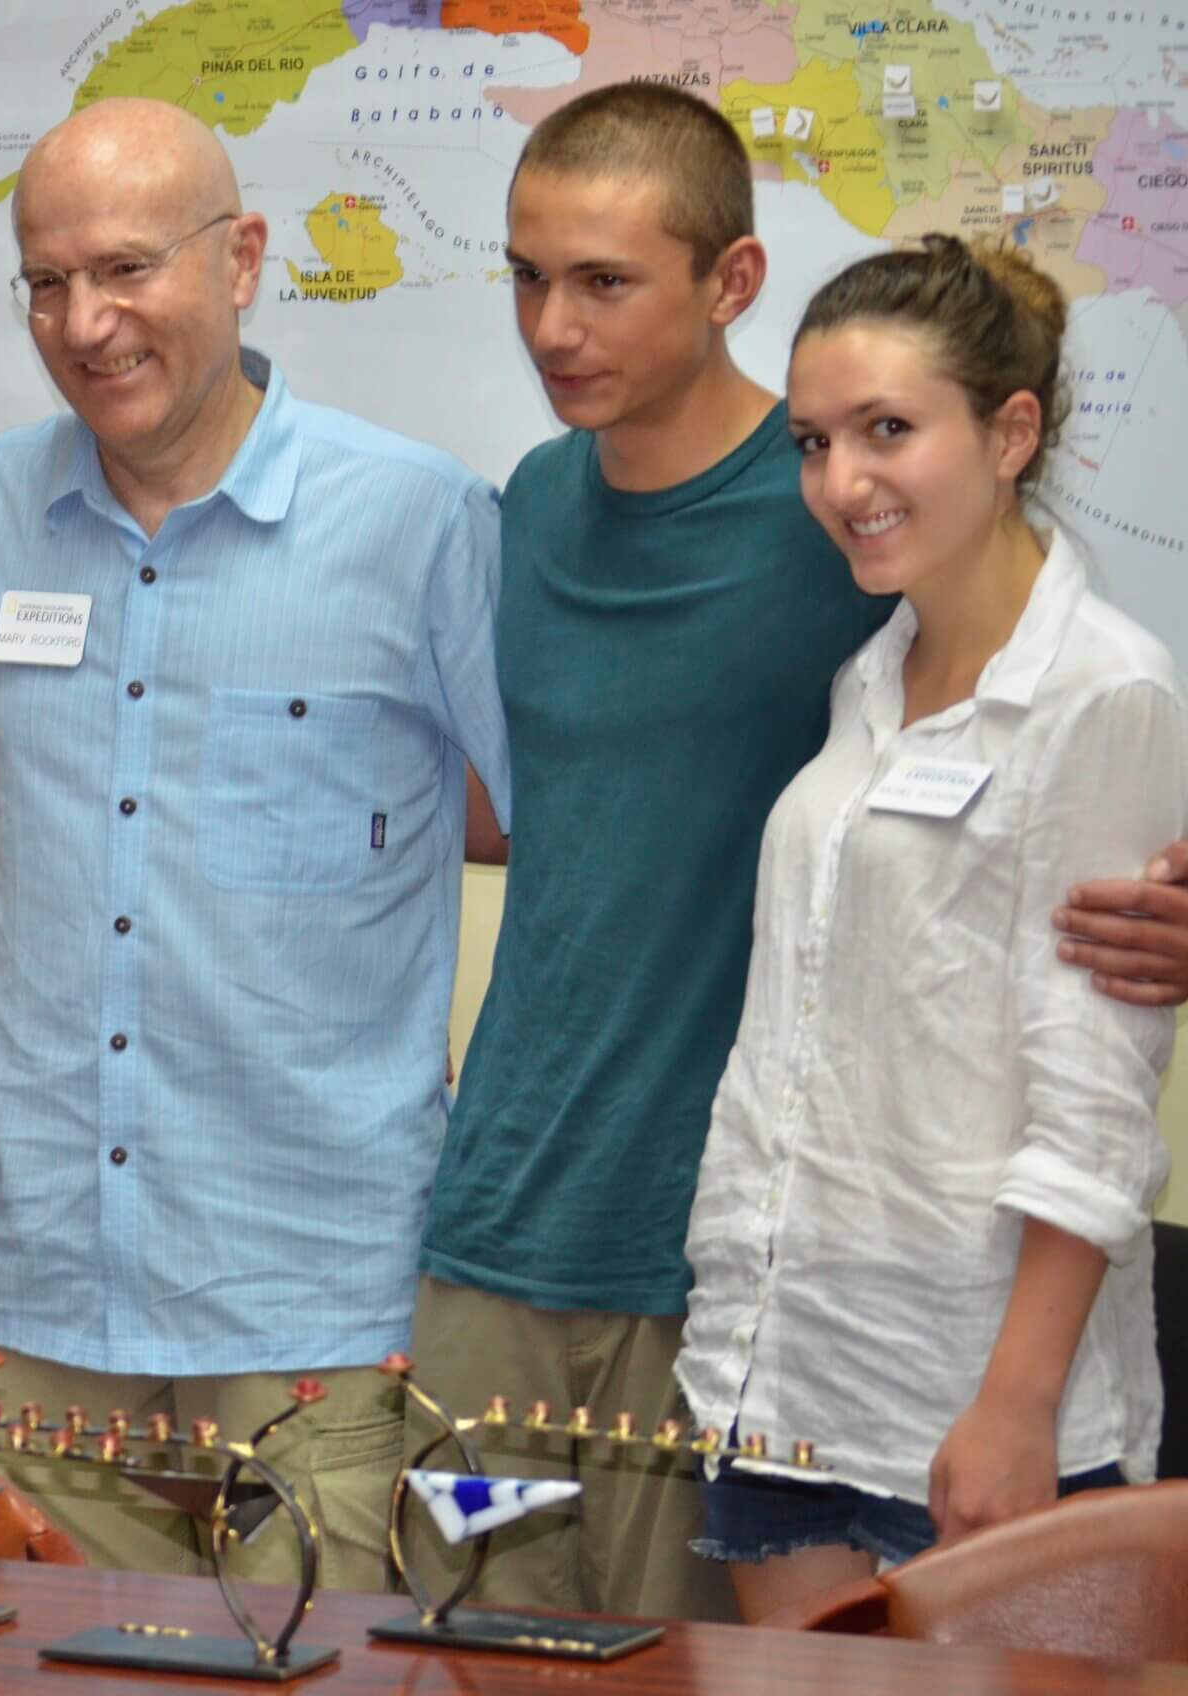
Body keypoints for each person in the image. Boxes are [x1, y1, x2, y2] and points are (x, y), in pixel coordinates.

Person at [410, 82, 1188, 1623]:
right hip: (547, 1241)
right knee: (458, 1644)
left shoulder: (862, 545)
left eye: (606, 280)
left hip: (735, 1280)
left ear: (732, 282)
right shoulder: (551, 511)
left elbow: (1070, 798)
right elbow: (549, 807)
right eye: (528, 277)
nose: (555, 326)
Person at [0, 97, 510, 1586]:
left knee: (322, 1673)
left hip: (308, 1287)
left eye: (127, 268)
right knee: (38, 1675)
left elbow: (546, 827)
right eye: (47, 281)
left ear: (242, 257)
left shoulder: (419, 519)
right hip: (44, 1273)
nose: (85, 323)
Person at [679, 235, 1181, 1618]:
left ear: (1010, 433)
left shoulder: (1102, 693)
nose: (842, 482)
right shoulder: (872, 674)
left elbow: (1095, 1100)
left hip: (970, 1392)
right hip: (786, 1369)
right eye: (813, 442)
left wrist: (1015, 1406)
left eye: (888, 430)